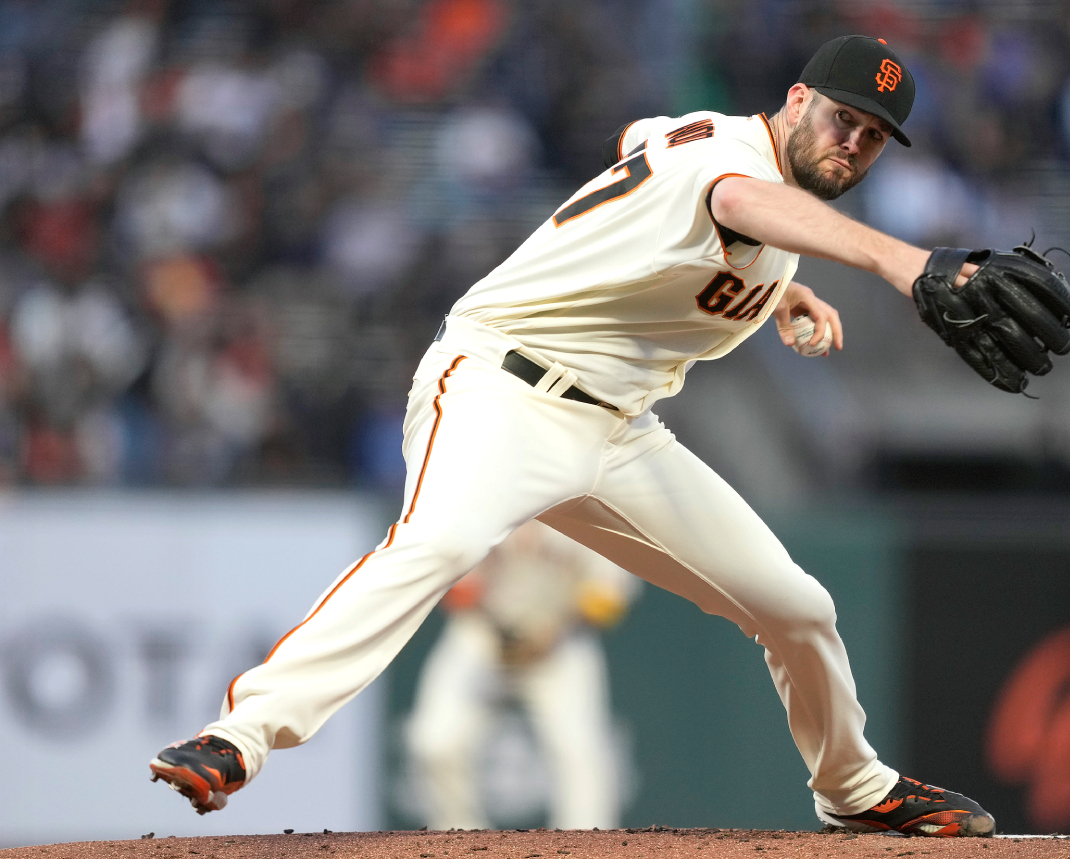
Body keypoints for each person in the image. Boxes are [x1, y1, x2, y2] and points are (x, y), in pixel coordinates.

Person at [151, 35, 999, 836]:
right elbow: (734, 196)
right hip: (501, 386)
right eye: (841, 117)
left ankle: (853, 790)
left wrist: (782, 294)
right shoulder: (733, 159)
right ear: (797, 98)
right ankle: (242, 735)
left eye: (875, 135)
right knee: (435, 544)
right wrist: (903, 262)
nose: (852, 141)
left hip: (622, 432)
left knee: (797, 605)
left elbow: (642, 144)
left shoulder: (709, 150)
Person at [403, 519, 636, 830]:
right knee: (435, 740)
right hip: (483, 639)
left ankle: (587, 845)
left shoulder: (590, 506)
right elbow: (454, 585)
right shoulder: (483, 497)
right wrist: (502, 630)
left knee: (581, 750)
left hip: (560, 645)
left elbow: (611, 595)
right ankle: (456, 840)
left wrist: (550, 633)